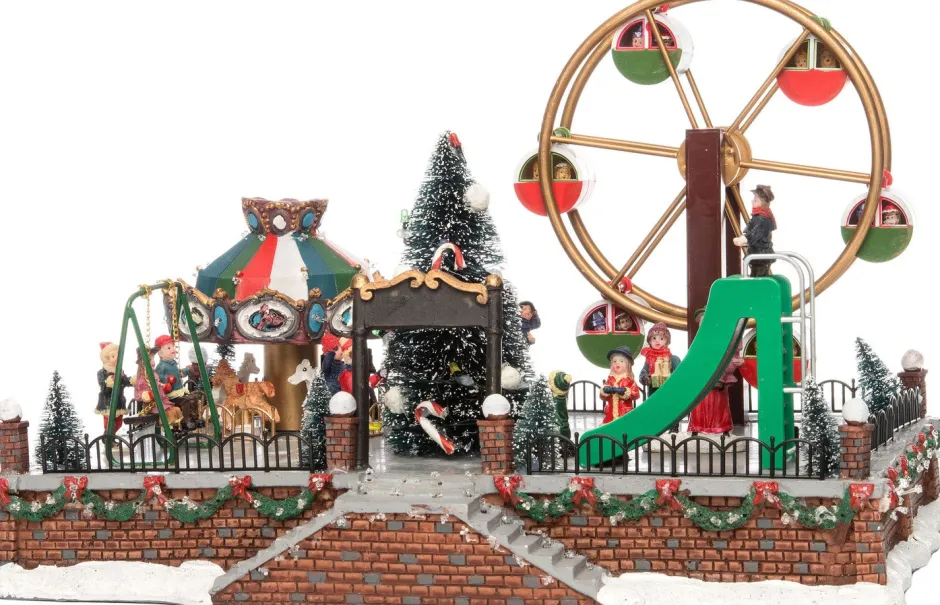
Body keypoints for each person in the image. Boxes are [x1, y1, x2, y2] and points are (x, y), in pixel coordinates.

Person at [687, 309, 742, 436]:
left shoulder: (723, 341)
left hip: (719, 379)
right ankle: (698, 427)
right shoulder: (698, 343)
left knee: (718, 404)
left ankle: (722, 428)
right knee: (700, 405)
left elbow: (732, 355)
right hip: (701, 380)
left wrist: (738, 361)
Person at [733, 184, 776, 277]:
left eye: (755, 200)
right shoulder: (759, 216)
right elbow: (751, 229)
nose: (752, 201)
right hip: (758, 253)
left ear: (763, 203)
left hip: (760, 254)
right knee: (757, 276)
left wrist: (744, 239)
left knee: (758, 277)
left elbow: (755, 233)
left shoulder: (762, 218)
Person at [96, 342, 132, 433]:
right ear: (106, 359)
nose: (116, 358)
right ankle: (107, 437)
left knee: (118, 424)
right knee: (109, 424)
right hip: (107, 402)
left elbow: (124, 381)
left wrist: (131, 380)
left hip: (119, 402)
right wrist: (107, 383)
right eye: (113, 356)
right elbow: (103, 388)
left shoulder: (119, 371)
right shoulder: (102, 373)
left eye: (117, 356)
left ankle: (110, 436)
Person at [600, 346, 641, 424]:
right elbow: (603, 397)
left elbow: (636, 394)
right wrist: (605, 391)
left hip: (624, 412)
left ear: (628, 364)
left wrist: (625, 391)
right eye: (614, 361)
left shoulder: (629, 380)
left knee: (624, 426)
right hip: (611, 413)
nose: (617, 363)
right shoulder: (610, 380)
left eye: (621, 361)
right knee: (609, 427)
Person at [638, 323, 681, 395]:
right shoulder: (649, 359)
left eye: (661, 338)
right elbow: (643, 373)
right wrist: (645, 378)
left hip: (671, 393)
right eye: (654, 338)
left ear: (666, 341)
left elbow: (680, 375)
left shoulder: (674, 359)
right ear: (650, 341)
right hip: (654, 393)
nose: (657, 341)